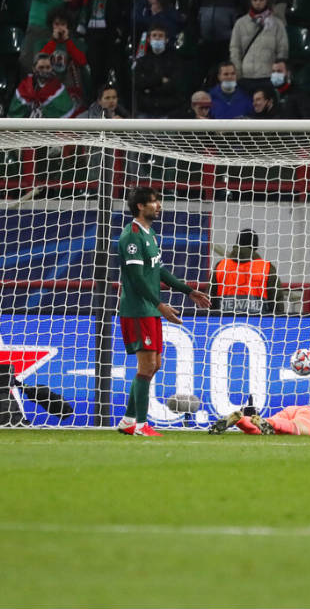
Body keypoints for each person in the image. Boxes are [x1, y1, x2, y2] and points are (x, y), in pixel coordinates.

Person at [115, 187, 211, 437]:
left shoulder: (150, 234)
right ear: (140, 207)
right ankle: (140, 425)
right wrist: (161, 306)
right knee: (146, 365)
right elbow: (136, 279)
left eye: (158, 201)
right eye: (154, 201)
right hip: (138, 310)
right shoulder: (131, 236)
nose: (159, 206)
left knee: (154, 364)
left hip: (150, 309)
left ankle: (128, 420)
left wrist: (188, 291)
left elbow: (160, 271)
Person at [210, 228, 284, 314]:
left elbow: (209, 298)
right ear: (255, 246)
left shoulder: (221, 266)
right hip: (258, 323)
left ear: (237, 244)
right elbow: (276, 302)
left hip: (225, 322)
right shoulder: (267, 268)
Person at [229, 0, 287, 96]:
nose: (258, 3)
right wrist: (238, 72)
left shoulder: (277, 24)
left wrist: (277, 72)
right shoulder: (240, 23)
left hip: (268, 76)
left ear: (267, 0)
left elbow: (282, 49)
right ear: (250, 1)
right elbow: (235, 49)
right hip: (246, 76)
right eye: (255, 0)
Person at [133, 23, 183, 118]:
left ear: (166, 39)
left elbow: (175, 85)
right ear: (149, 39)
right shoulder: (142, 61)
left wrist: (149, 87)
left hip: (169, 111)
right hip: (145, 110)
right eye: (154, 35)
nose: (157, 38)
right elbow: (138, 83)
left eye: (160, 36)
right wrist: (160, 80)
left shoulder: (175, 60)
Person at [8, 52, 76, 118]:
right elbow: (14, 114)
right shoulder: (23, 88)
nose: (45, 71)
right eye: (41, 67)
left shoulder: (59, 90)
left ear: (52, 68)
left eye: (48, 67)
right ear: (34, 69)